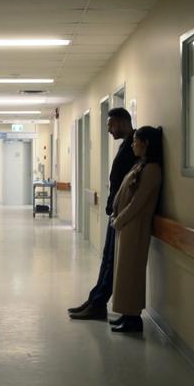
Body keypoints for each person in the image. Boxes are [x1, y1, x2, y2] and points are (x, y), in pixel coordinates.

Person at [68, 107, 137, 321]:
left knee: (111, 261)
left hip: (122, 214)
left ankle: (98, 304)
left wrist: (115, 208)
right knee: (107, 259)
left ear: (123, 122)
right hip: (115, 211)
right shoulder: (126, 145)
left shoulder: (134, 147)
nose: (108, 130)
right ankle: (94, 300)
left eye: (111, 125)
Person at [108, 126, 164, 333]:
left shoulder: (152, 170)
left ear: (146, 143)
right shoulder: (140, 165)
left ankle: (133, 319)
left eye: (136, 141)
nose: (132, 144)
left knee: (131, 273)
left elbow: (138, 202)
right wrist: (116, 216)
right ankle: (126, 314)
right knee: (123, 272)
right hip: (125, 225)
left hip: (135, 226)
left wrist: (119, 219)